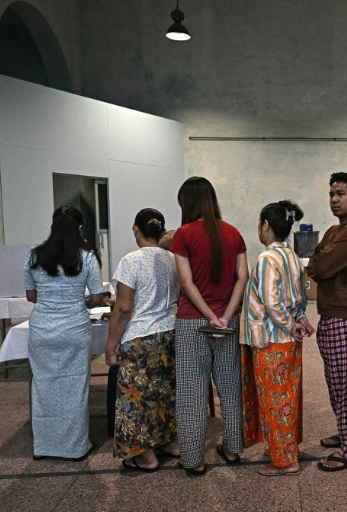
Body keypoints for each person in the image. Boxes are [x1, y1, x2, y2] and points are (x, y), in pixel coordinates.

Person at [170, 177, 249, 476]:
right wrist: (225, 316)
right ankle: (233, 448)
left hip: (192, 321)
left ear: (188, 203)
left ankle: (193, 459)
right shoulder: (233, 233)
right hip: (228, 322)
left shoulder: (183, 234)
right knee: (230, 388)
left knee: (192, 393)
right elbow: (243, 277)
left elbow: (186, 282)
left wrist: (208, 315)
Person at [241, 200, 315, 477]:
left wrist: (288, 323)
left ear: (265, 225)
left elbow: (272, 302)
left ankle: (285, 460)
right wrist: (299, 319)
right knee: (288, 396)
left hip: (271, 340)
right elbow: (300, 296)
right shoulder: (292, 256)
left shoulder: (267, 258)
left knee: (275, 399)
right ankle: (286, 447)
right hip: (288, 339)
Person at [25, 206, 104, 460]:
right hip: (74, 329)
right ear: (79, 228)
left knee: (43, 386)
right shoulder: (87, 257)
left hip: (42, 330)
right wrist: (80, 301)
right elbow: (97, 298)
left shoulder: (34, 255)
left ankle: (44, 447)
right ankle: (76, 447)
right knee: (75, 387)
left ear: (53, 226)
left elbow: (31, 296)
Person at [104, 208, 180, 472]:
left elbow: (124, 308)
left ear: (136, 229)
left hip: (141, 336)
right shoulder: (173, 259)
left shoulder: (131, 260)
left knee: (136, 398)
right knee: (164, 393)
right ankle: (170, 442)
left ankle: (145, 456)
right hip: (170, 332)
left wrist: (110, 346)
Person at [308, 172, 347, 472]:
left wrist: (320, 263)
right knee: (337, 385)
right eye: (332, 194)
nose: (334, 199)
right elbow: (314, 264)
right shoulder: (335, 230)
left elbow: (321, 265)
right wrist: (320, 262)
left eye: (340, 194)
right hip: (332, 316)